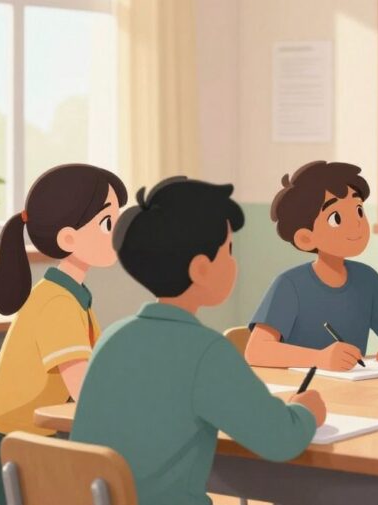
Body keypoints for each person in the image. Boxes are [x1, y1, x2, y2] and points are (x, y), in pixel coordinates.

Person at [71, 177, 325, 505]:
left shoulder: (112, 337)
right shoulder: (206, 351)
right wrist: (307, 411)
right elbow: (280, 439)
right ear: (201, 269)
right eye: (228, 250)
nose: (234, 262)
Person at [0, 164, 126, 505]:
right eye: (108, 223)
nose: (118, 232)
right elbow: (85, 390)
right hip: (27, 462)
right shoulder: (57, 303)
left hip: (36, 449)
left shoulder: (70, 295)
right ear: (68, 238)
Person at [244, 161, 378, 370]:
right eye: (336, 218)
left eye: (358, 210)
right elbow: (256, 351)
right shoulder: (289, 284)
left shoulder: (367, 280)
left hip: (352, 385)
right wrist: (320, 358)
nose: (356, 223)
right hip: (300, 385)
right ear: (305, 238)